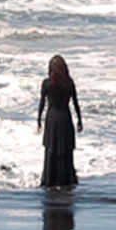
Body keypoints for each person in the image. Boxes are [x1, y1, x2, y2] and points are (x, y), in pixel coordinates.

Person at [36, 54, 83, 187]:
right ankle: (67, 179)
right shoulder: (69, 83)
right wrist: (79, 120)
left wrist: (38, 120)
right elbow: (75, 103)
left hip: (52, 119)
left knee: (51, 149)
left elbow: (42, 103)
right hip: (65, 118)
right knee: (66, 150)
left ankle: (49, 180)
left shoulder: (46, 83)